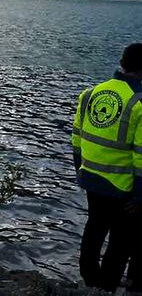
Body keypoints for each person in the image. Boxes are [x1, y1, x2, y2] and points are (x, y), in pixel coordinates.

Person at [71, 42, 142, 292]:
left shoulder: (90, 93)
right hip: (123, 186)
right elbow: (141, 156)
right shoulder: (138, 104)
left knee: (94, 228)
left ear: (121, 63)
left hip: (91, 177)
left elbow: (77, 138)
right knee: (121, 239)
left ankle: (89, 279)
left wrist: (79, 170)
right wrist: (140, 193)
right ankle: (108, 286)